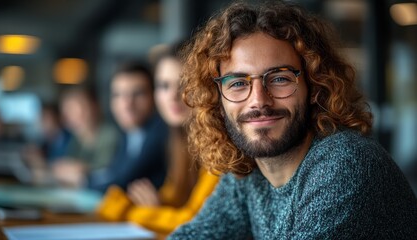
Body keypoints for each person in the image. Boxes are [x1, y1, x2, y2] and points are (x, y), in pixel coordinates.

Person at [169, 1, 417, 239]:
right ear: (219, 102)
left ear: (314, 87)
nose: (259, 100)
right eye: (237, 83)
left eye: (279, 79)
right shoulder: (247, 172)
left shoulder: (345, 163)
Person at [96, 43, 219, 235]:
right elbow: (171, 198)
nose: (172, 95)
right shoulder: (179, 141)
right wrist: (153, 207)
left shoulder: (221, 146)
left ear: (206, 86)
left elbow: (193, 221)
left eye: (185, 84)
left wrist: (129, 210)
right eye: (164, 86)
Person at [87, 63, 168, 193]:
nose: (126, 104)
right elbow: (114, 172)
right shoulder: (128, 133)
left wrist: (83, 180)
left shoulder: (161, 132)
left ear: (154, 96)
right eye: (118, 95)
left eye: (138, 94)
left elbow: (123, 182)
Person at [51, 86, 119, 189]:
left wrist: (80, 171)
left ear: (93, 107)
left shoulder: (110, 135)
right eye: (66, 111)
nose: (68, 117)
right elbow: (64, 169)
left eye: (73, 109)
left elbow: (103, 173)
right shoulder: (76, 139)